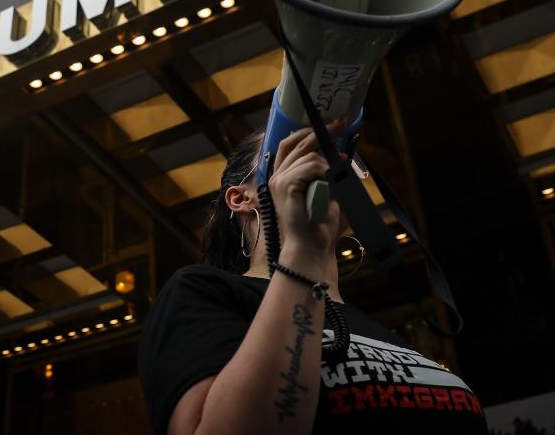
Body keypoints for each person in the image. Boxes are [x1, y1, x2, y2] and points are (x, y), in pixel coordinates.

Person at [139, 126, 487, 434]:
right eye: (292, 151)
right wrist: (302, 249)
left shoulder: (373, 329)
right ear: (242, 198)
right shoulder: (202, 294)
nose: (323, 161)